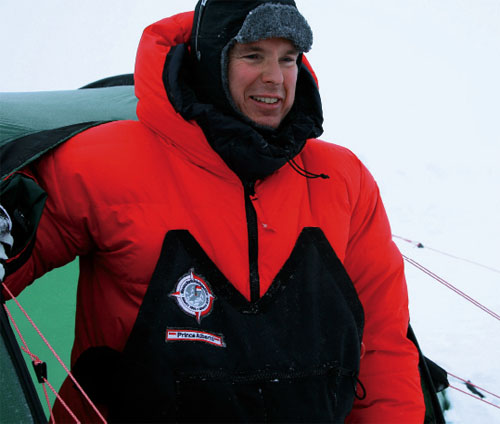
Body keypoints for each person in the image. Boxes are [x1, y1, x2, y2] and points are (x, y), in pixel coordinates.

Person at [1, 0, 426, 422]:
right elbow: (18, 248)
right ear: (210, 61)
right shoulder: (103, 163)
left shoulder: (341, 179)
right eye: (253, 55)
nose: (275, 77)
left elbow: (383, 346)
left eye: (288, 58)